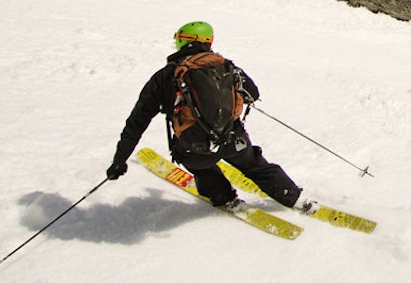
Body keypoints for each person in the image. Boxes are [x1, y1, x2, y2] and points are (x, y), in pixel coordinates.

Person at [106, 20, 318, 214]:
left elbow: (137, 122)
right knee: (254, 164)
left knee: (202, 166)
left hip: (195, 148)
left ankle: (225, 197)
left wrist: (119, 161)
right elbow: (253, 93)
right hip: (233, 139)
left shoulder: (165, 76)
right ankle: (294, 198)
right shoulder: (226, 66)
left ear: (183, 42)